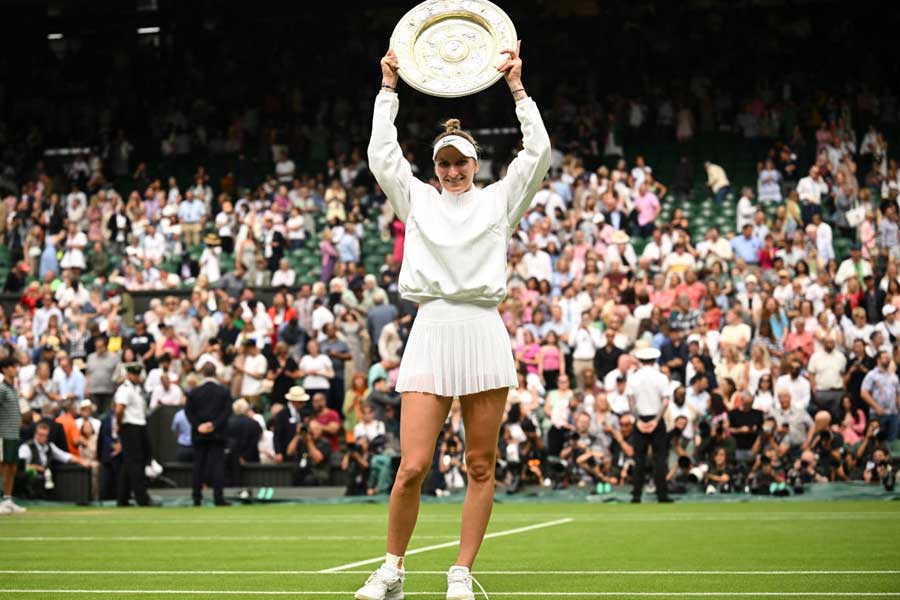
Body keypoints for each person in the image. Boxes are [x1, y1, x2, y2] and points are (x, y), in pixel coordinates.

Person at [355, 43, 550, 600]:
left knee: (479, 463)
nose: (454, 170)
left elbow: (537, 152)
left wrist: (517, 88)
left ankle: (460, 572)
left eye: (461, 161)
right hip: (432, 330)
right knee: (412, 466)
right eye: (444, 162)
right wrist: (388, 88)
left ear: (475, 163)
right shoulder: (416, 199)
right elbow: (380, 153)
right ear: (435, 166)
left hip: (483, 330)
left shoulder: (498, 202)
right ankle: (392, 569)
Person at [625, 347, 673, 503]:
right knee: (659, 459)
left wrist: (638, 420)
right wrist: (656, 421)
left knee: (639, 459)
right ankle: (662, 494)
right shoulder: (661, 378)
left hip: (640, 418)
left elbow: (631, 401)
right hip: (656, 418)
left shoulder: (633, 378)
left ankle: (636, 494)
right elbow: (665, 401)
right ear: (655, 360)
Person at [185, 362, 233, 506]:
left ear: (203, 374)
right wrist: (214, 425)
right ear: (215, 373)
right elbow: (227, 412)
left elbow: (188, 412)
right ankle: (218, 498)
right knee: (217, 466)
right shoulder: (223, 391)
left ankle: (196, 498)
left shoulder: (194, 392)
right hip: (217, 435)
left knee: (198, 466)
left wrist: (199, 426)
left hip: (199, 435)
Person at [113, 363, 154, 507]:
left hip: (139, 426)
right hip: (130, 427)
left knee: (129, 463)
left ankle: (122, 498)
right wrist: (119, 424)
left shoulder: (136, 389)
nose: (137, 377)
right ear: (129, 374)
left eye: (138, 374)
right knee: (136, 463)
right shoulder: (125, 389)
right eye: (134, 374)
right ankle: (142, 498)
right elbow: (119, 409)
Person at [0, 356, 25, 514]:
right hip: (3, 433)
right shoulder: (2, 389)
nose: (16, 369)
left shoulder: (12, 388)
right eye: (13, 366)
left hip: (14, 433)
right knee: (3, 466)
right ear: (5, 369)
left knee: (12, 466)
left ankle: (8, 499)